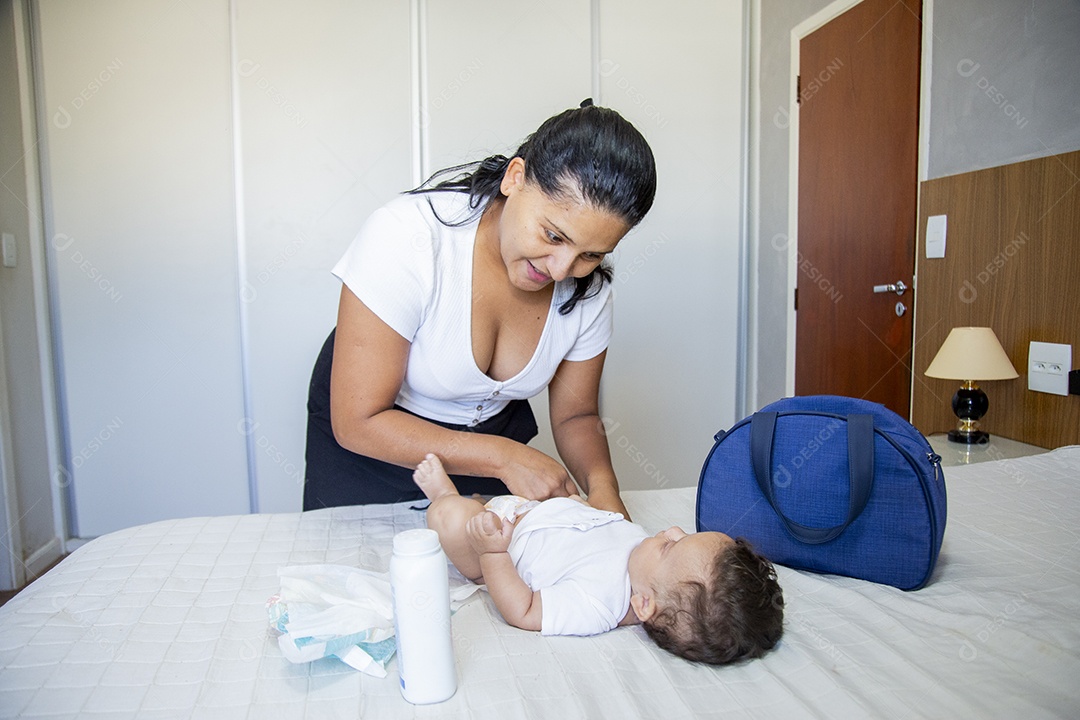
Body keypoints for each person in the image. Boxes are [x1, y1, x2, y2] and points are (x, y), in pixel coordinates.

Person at [304, 100, 657, 515]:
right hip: (372, 453)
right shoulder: (407, 238)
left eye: (592, 254)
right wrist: (504, 457)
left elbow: (575, 416)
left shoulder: (588, 292)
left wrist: (604, 493)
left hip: (491, 461)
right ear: (515, 178)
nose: (563, 270)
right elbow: (358, 421)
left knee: (484, 573)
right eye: (552, 235)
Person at [413, 453, 784, 665]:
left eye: (671, 546)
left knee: (451, 520)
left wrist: (491, 553)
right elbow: (599, 525)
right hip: (527, 513)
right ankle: (468, 502)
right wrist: (576, 507)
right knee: (484, 507)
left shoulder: (597, 604)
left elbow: (524, 610)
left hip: (499, 548)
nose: (671, 530)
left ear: (643, 604)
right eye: (683, 534)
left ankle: (444, 497)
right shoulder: (642, 555)